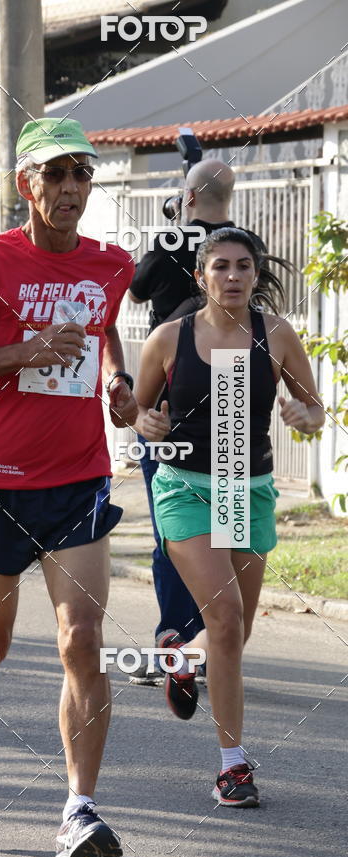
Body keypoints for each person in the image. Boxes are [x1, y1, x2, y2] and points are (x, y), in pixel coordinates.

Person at [0, 118, 137, 857]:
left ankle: (79, 811)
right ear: (27, 185)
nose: (72, 188)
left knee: (82, 639)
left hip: (78, 476)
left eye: (82, 174)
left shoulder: (113, 263)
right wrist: (26, 352)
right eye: (56, 174)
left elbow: (104, 332)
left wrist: (118, 381)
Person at [135, 227, 324, 806]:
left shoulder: (276, 334)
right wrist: (144, 422)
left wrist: (305, 416)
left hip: (247, 489)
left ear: (255, 275)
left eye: (244, 266)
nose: (233, 276)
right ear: (201, 276)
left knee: (233, 634)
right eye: (220, 266)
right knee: (226, 615)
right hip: (184, 489)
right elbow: (136, 412)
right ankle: (233, 767)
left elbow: (315, 409)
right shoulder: (169, 338)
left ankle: (184, 658)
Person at [127, 160, 267, 683]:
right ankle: (213, 642)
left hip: (169, 404)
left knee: (174, 531)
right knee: (226, 534)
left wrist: (172, 226)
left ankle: (177, 640)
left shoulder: (171, 240)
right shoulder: (245, 245)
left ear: (186, 196)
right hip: (232, 402)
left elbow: (136, 291)